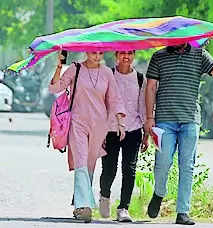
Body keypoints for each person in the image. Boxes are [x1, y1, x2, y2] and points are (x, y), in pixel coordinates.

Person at [144, 32, 213, 225]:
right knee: (162, 163)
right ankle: (159, 193)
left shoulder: (200, 54)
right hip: (165, 120)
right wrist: (149, 117)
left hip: (190, 120)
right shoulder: (159, 56)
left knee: (187, 166)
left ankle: (183, 211)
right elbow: (150, 88)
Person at [49, 51, 126, 222]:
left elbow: (114, 99)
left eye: (100, 53)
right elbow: (55, 88)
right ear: (86, 52)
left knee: (89, 165)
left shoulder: (106, 72)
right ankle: (84, 207)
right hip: (78, 123)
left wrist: (120, 122)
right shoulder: (75, 69)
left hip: (99, 125)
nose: (97, 56)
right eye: (93, 53)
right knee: (81, 162)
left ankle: (79, 202)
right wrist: (59, 67)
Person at [99, 50, 146, 222]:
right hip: (110, 130)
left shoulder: (140, 78)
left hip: (133, 130)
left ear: (134, 55)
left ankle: (123, 208)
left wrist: (147, 133)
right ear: (116, 55)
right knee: (109, 169)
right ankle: (104, 196)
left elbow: (143, 106)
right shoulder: (108, 75)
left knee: (130, 169)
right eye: (122, 53)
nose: (126, 57)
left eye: (130, 53)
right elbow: (102, 104)